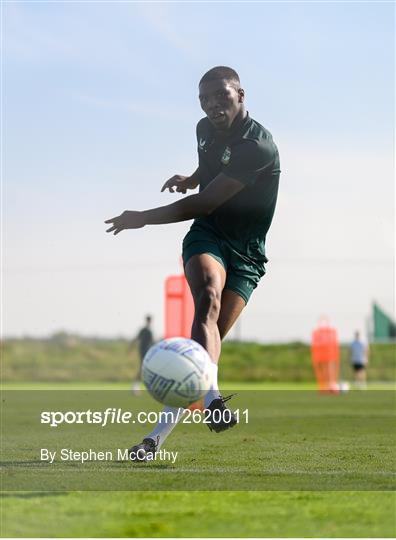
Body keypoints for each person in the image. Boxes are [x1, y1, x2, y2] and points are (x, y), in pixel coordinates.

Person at [105, 66, 281, 461]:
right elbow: (211, 170)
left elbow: (204, 200)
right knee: (208, 297)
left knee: (202, 350)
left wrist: (142, 217)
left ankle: (153, 441)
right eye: (204, 99)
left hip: (249, 254)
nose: (212, 105)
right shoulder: (204, 128)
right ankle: (214, 400)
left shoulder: (259, 146)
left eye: (221, 96)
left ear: (241, 94)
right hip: (209, 236)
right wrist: (192, 176)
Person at [130, 315, 154, 393]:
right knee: (143, 369)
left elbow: (136, 339)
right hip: (144, 352)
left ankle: (138, 386)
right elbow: (137, 339)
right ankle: (135, 386)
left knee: (146, 369)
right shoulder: (145, 330)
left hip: (147, 352)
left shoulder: (147, 330)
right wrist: (131, 347)